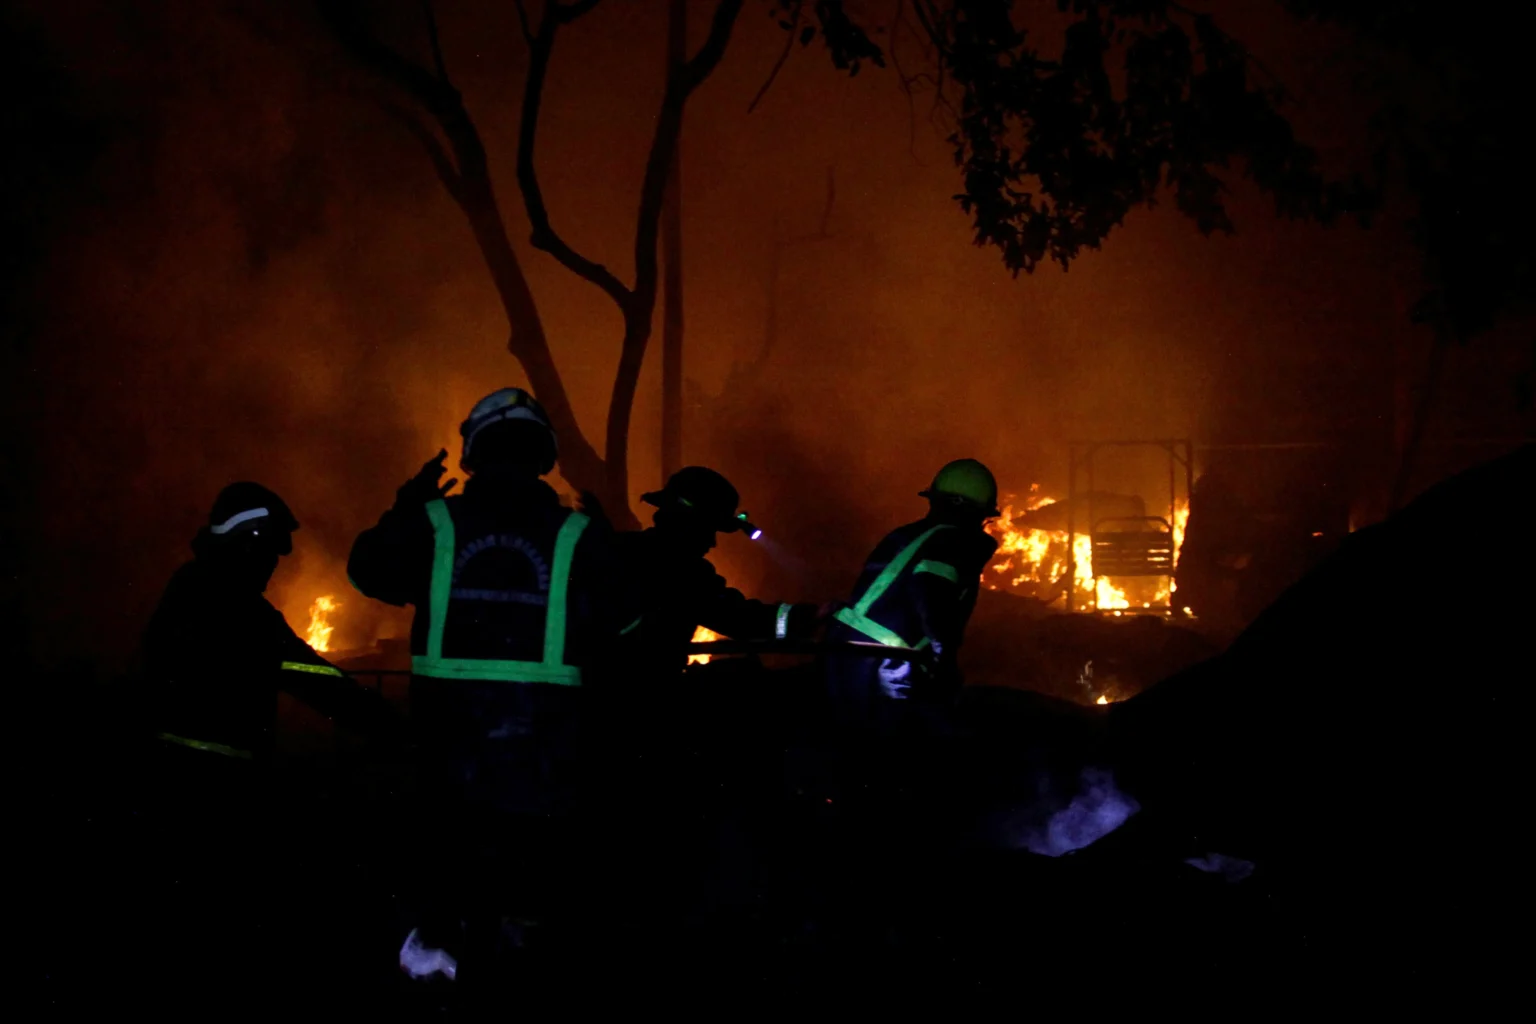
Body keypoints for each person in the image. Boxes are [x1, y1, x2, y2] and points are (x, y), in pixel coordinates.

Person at [347, 387, 614, 993]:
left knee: (443, 895)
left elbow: (366, 571)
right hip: (543, 759)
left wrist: (406, 504)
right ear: (543, 453)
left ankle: (438, 990)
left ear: (473, 451)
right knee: (527, 908)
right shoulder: (578, 535)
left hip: (447, 753)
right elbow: (621, 621)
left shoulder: (433, 523)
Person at [138, 481, 396, 1002]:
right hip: (219, 797)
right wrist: (392, 724)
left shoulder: (185, 587)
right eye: (270, 551)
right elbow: (313, 679)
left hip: (160, 786)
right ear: (248, 541)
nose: (272, 566)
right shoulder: (241, 611)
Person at [608, 466, 819, 677]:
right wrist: (811, 618)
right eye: (708, 530)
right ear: (687, 523)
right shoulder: (682, 572)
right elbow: (741, 619)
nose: (712, 542)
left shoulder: (618, 548)